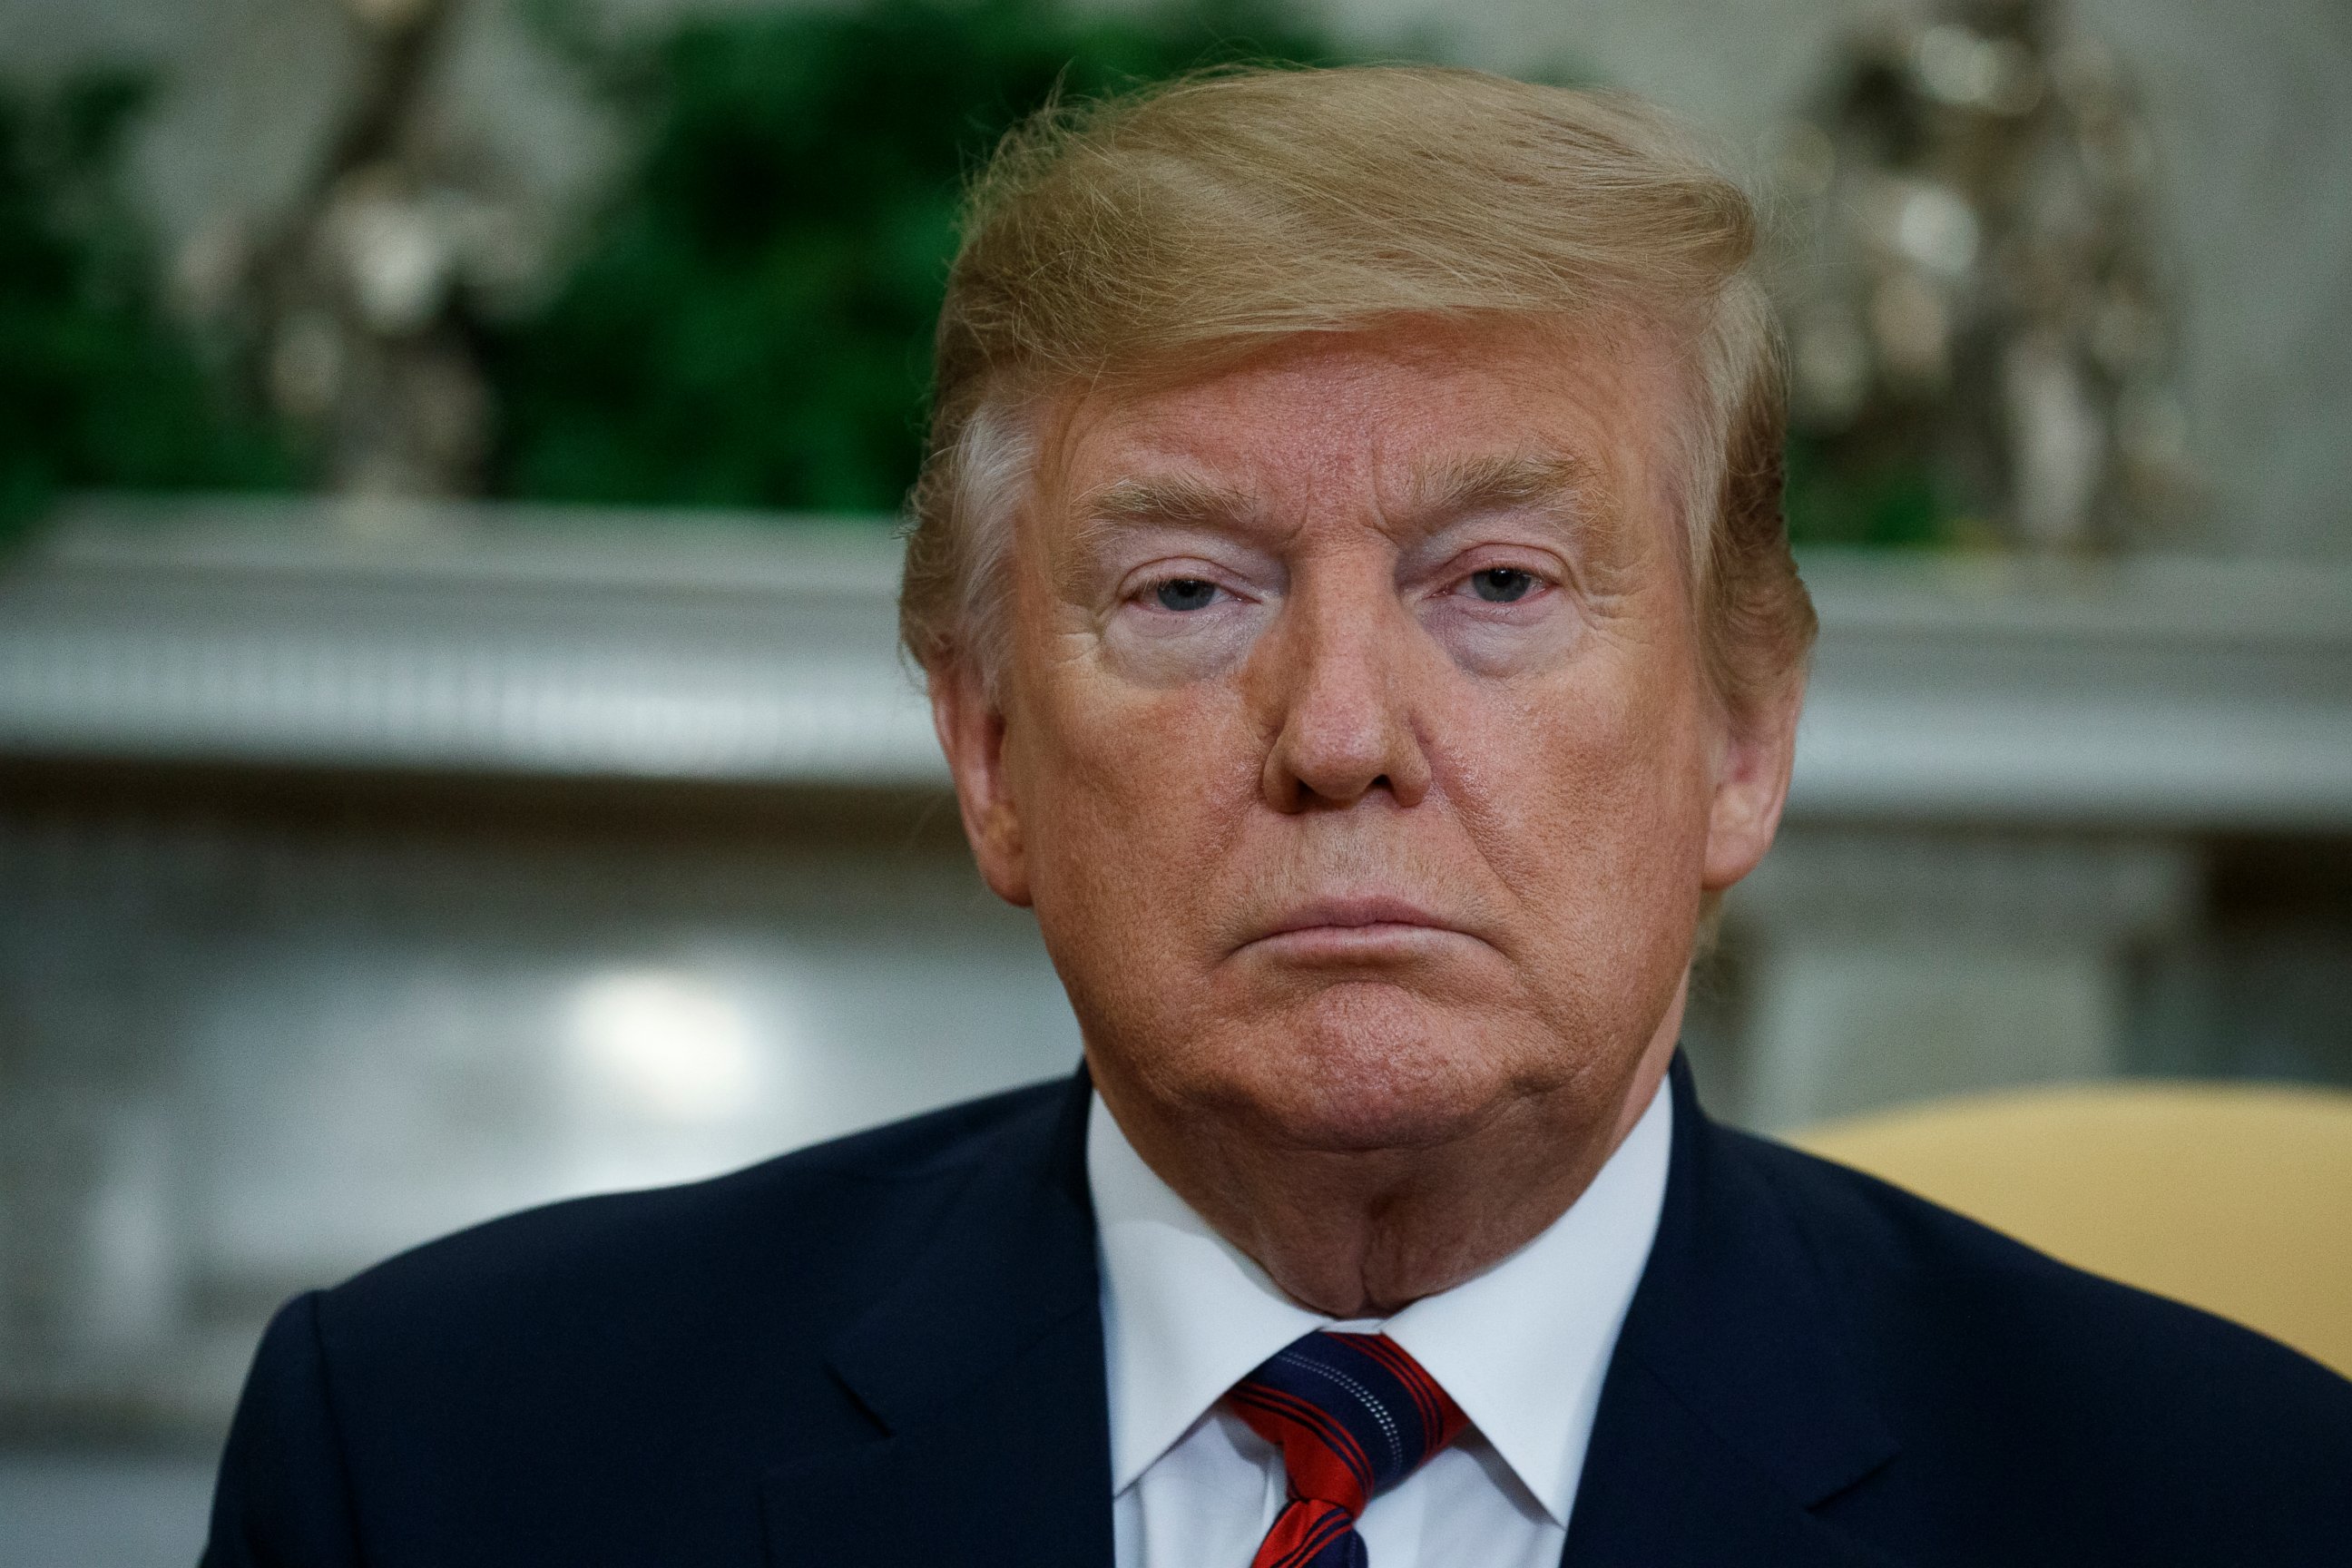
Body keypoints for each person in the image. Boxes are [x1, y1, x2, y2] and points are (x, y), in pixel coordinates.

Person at [202, 66, 2351, 1568]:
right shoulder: (448, 1464)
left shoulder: (2235, 1509)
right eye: (1186, 593)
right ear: (986, 751)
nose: (1338, 732)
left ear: (1741, 739)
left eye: (1498, 585)